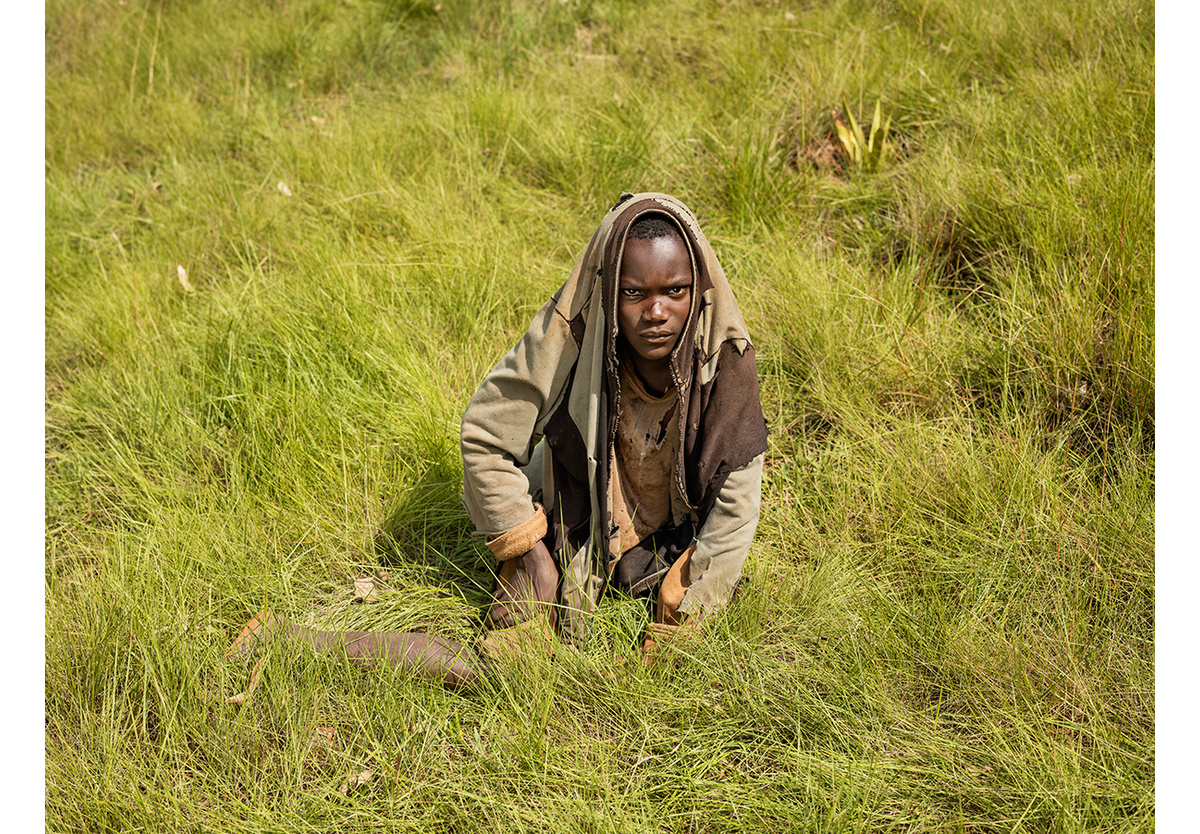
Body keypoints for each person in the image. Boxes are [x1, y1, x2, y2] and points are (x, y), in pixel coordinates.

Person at [227, 192, 768, 690]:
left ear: (697, 289)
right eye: (634, 293)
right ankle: (287, 638)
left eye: (675, 291)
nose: (656, 312)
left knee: (684, 652)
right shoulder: (575, 329)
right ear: (609, 289)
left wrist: (685, 608)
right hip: (572, 515)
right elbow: (486, 433)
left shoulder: (725, 358)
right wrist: (529, 551)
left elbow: (736, 501)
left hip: (669, 533)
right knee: (500, 674)